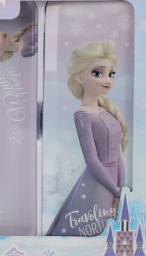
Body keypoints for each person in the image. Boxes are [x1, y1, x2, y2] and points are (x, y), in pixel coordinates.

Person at [46, 40, 127, 237]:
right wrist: (116, 190)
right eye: (98, 73)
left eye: (111, 74)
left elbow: (119, 155)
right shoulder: (83, 115)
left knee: (112, 228)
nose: (107, 79)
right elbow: (92, 160)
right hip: (98, 184)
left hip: (114, 182)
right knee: (95, 227)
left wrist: (122, 188)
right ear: (79, 76)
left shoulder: (106, 112)